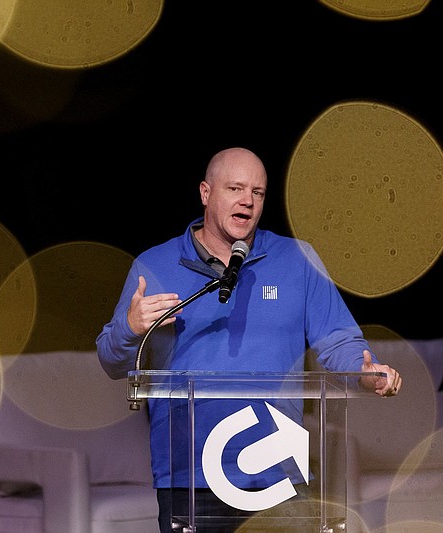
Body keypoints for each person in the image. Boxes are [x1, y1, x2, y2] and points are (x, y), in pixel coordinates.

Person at [95, 147, 402, 533]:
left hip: (279, 470)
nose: (247, 201)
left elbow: (338, 339)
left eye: (257, 192)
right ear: (206, 193)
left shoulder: (297, 260)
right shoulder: (154, 266)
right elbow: (110, 361)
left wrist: (364, 370)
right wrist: (130, 327)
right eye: (236, 188)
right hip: (189, 478)